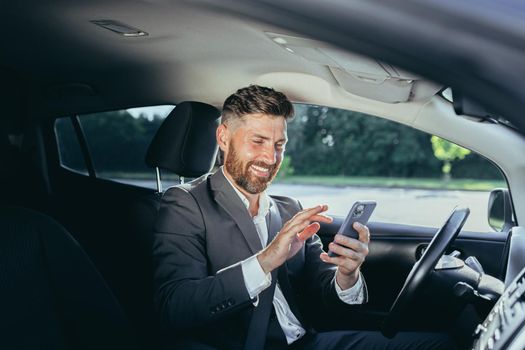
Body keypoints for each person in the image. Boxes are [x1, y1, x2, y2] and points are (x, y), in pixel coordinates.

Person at [152, 85, 455, 349]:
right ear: (223, 137)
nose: (271, 158)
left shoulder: (289, 208)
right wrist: (266, 260)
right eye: (258, 141)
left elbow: (323, 291)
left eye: (279, 145)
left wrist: (346, 275)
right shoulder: (186, 203)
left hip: (310, 341)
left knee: (447, 344)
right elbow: (174, 307)